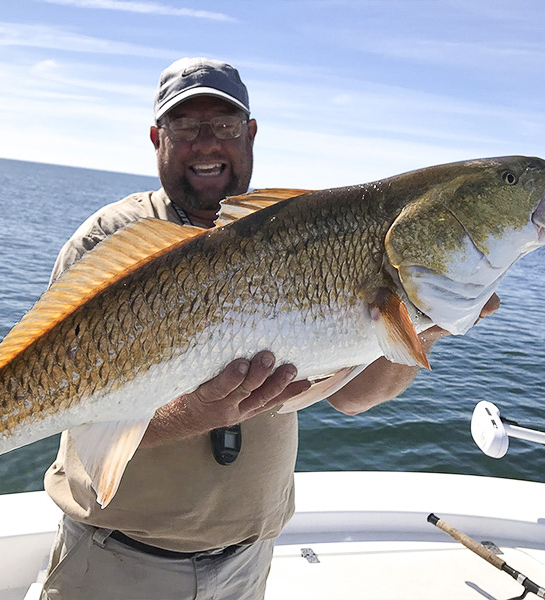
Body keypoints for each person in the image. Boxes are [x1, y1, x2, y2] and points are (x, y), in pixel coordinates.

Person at [40, 57, 499, 600]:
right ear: (156, 137)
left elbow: (353, 397)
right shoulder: (110, 243)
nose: (207, 144)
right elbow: (59, 407)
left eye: (225, 126)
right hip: (116, 562)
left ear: (251, 133)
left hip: (248, 564)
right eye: (186, 127)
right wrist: (197, 414)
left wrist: (427, 326)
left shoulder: (304, 235)